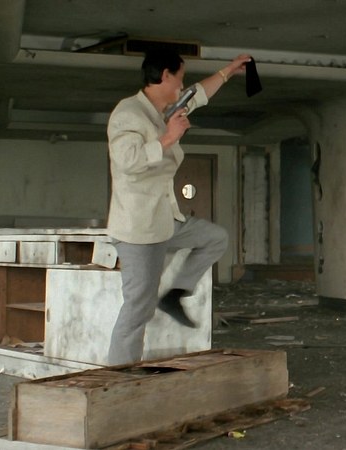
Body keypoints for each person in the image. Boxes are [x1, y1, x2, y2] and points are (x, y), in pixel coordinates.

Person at [106, 49, 252, 365]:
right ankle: (118, 376)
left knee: (215, 238)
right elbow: (127, 160)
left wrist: (228, 71)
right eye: (180, 78)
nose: (182, 85)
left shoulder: (168, 108)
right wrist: (169, 138)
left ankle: (174, 295)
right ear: (165, 76)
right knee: (138, 308)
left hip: (165, 219)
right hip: (139, 229)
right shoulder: (128, 113)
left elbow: (198, 94)